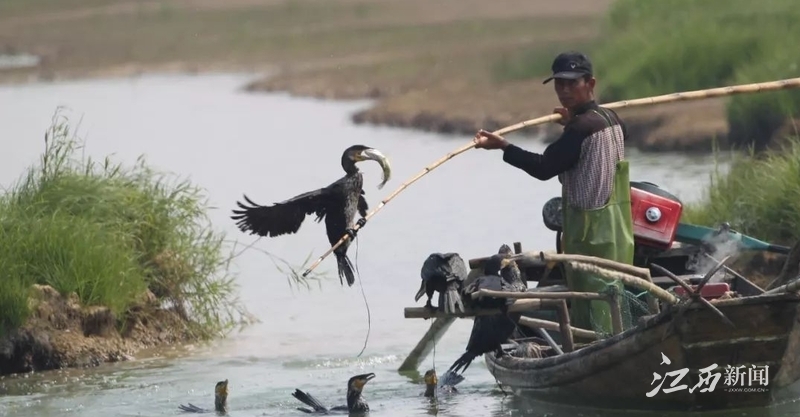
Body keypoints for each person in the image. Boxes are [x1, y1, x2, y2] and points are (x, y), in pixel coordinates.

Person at [472, 51, 635, 335]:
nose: (564, 90)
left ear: (590, 83)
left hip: (589, 232)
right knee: (614, 290)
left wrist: (504, 147)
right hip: (618, 228)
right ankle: (617, 336)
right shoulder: (610, 119)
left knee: (592, 298)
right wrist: (569, 122)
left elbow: (544, 168)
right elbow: (585, 152)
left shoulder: (581, 128)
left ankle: (596, 341)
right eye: (560, 84)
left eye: (572, 83)